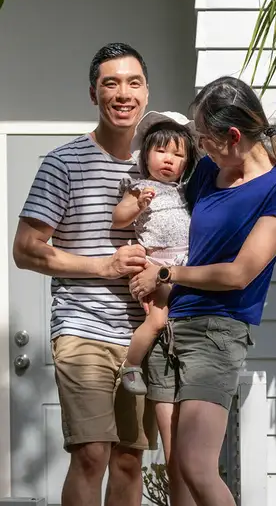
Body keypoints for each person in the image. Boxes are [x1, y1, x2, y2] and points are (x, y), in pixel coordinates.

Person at [129, 76, 276, 506]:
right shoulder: (210, 173)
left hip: (216, 332)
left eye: (204, 137)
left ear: (233, 137)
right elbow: (170, 221)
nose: (199, 146)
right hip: (169, 325)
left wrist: (165, 275)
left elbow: (240, 274)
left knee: (197, 464)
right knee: (176, 466)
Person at [12, 43, 158, 506]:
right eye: (110, 83)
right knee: (92, 453)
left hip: (144, 335)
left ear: (146, 94)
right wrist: (105, 266)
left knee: (129, 459)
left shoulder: (161, 165)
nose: (122, 93)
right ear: (93, 95)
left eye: (133, 83)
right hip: (83, 328)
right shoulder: (64, 163)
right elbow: (26, 250)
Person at [112, 111, 197, 395]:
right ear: (145, 155)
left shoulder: (184, 192)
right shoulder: (139, 188)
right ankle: (132, 365)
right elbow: (119, 218)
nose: (168, 159)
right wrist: (138, 204)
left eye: (178, 154)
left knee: (175, 318)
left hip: (181, 262)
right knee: (158, 320)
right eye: (161, 151)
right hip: (154, 262)